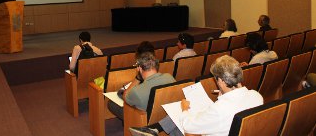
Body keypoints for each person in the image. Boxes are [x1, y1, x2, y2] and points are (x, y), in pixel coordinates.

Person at [129, 55, 263, 136]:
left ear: (221, 81)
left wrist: (185, 108)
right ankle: (155, 129)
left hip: (208, 129)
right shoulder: (256, 96)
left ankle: (155, 130)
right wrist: (222, 94)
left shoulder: (220, 108)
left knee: (181, 120)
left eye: (216, 79)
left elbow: (188, 126)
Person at [108, 52, 175, 120]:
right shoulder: (170, 77)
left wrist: (137, 78)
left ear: (139, 68)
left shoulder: (136, 91)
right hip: (165, 115)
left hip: (143, 120)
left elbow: (125, 96)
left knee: (111, 104)